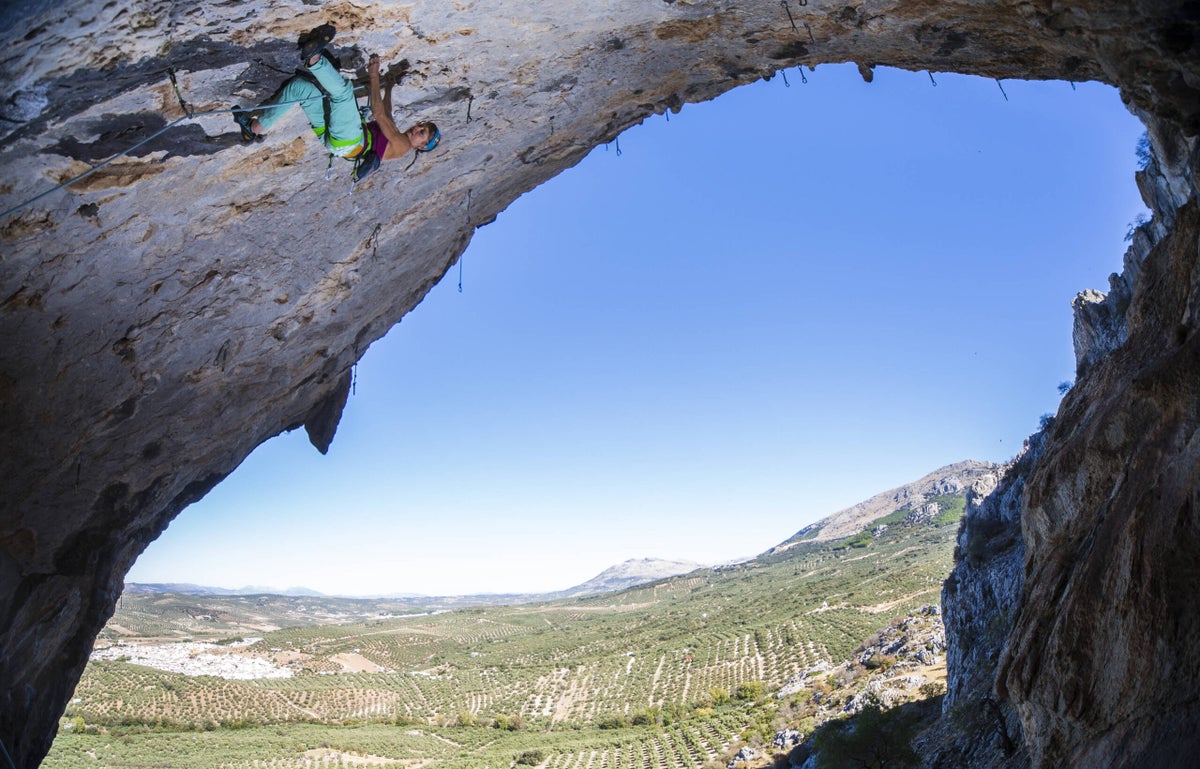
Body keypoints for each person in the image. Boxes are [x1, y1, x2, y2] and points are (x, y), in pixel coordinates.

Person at [235, 24, 440, 181]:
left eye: (422, 133)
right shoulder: (397, 138)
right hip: (339, 143)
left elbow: (378, 114)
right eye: (422, 125)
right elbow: (386, 113)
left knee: (343, 92)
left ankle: (313, 57)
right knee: (301, 88)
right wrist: (390, 86)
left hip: (349, 139)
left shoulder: (403, 145)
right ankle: (254, 128)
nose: (418, 128)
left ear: (420, 146)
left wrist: (374, 76)